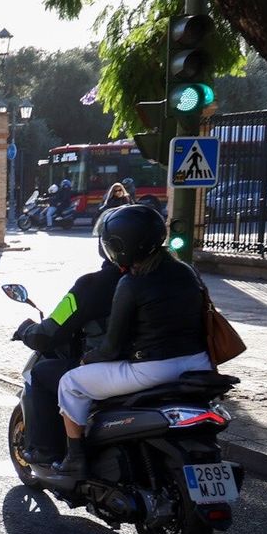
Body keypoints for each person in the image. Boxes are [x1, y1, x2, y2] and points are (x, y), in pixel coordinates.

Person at [54, 205, 212, 479]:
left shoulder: (131, 282)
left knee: (70, 383)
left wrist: (86, 359)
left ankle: (75, 459)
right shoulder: (187, 271)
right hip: (199, 364)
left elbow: (112, 348)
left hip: (153, 370)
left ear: (119, 247)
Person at [12, 245, 120, 465]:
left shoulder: (93, 285)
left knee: (41, 373)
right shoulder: (181, 275)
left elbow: (53, 328)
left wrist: (27, 332)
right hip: (182, 364)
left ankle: (46, 452)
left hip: (119, 367)